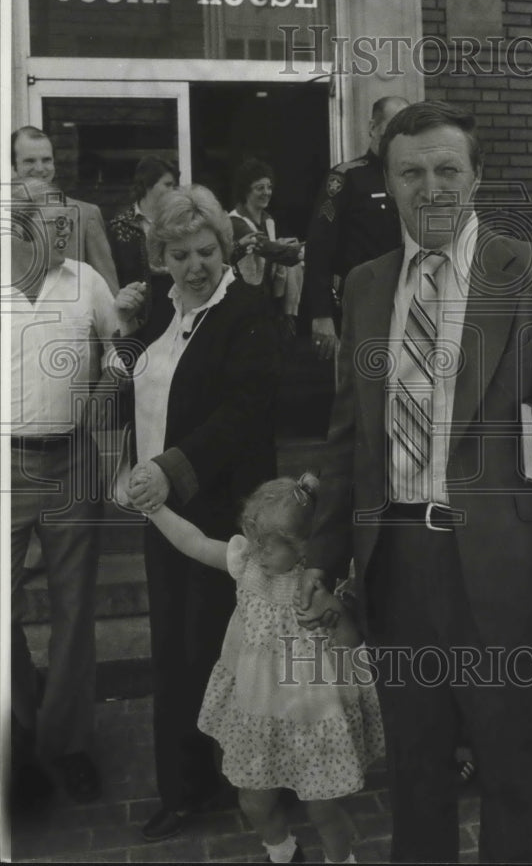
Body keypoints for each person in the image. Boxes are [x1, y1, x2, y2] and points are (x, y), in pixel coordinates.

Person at [299, 101, 532, 863]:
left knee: (509, 772)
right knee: (414, 773)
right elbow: (349, 443)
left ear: (475, 178)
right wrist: (320, 558)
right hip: (396, 568)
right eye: (411, 172)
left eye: (447, 170)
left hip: (499, 574)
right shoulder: (368, 286)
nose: (430, 187)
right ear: (388, 182)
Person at [113, 185, 280, 842]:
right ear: (162, 255)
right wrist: (124, 337)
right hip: (163, 516)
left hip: (222, 518)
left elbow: (245, 413)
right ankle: (184, 788)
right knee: (174, 654)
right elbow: (136, 380)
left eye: (204, 251)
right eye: (179, 254)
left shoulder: (246, 310)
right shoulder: (159, 308)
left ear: (224, 246)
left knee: (230, 655)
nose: (194, 265)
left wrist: (168, 468)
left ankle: (257, 786)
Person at [132, 472, 384, 864]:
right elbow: (194, 542)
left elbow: (352, 643)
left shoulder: (318, 587)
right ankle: (282, 852)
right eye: (252, 536)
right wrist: (156, 510)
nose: (256, 550)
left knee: (323, 809)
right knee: (253, 800)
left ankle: (340, 858)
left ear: (303, 548)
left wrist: (335, 613)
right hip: (258, 712)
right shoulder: (246, 564)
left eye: (267, 544)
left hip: (311, 714)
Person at [8, 179, 119, 809]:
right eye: (47, 225)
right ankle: (23, 729)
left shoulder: (87, 282)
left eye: (63, 224)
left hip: (73, 461)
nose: (60, 235)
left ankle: (69, 744)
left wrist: (108, 383)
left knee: (75, 612)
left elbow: (122, 347)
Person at [303, 96, 409, 361]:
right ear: (373, 128)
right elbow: (319, 245)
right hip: (358, 309)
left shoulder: (412, 179)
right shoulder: (345, 178)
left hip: (405, 306)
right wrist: (321, 314)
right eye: (389, 132)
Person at [12, 125, 119, 294]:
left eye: (46, 160)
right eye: (30, 161)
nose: (40, 169)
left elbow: (108, 291)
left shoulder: (86, 215)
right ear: (13, 166)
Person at [228, 157, 303, 330]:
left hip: (267, 302)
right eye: (259, 188)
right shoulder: (235, 221)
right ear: (246, 191)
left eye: (269, 187)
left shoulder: (268, 220)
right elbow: (266, 248)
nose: (267, 192)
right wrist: (297, 252)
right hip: (245, 302)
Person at [106, 155, 179, 332]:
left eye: (175, 186)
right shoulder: (119, 226)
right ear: (148, 185)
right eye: (168, 185)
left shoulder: (178, 222)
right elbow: (112, 277)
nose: (175, 191)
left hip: (176, 311)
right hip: (137, 317)